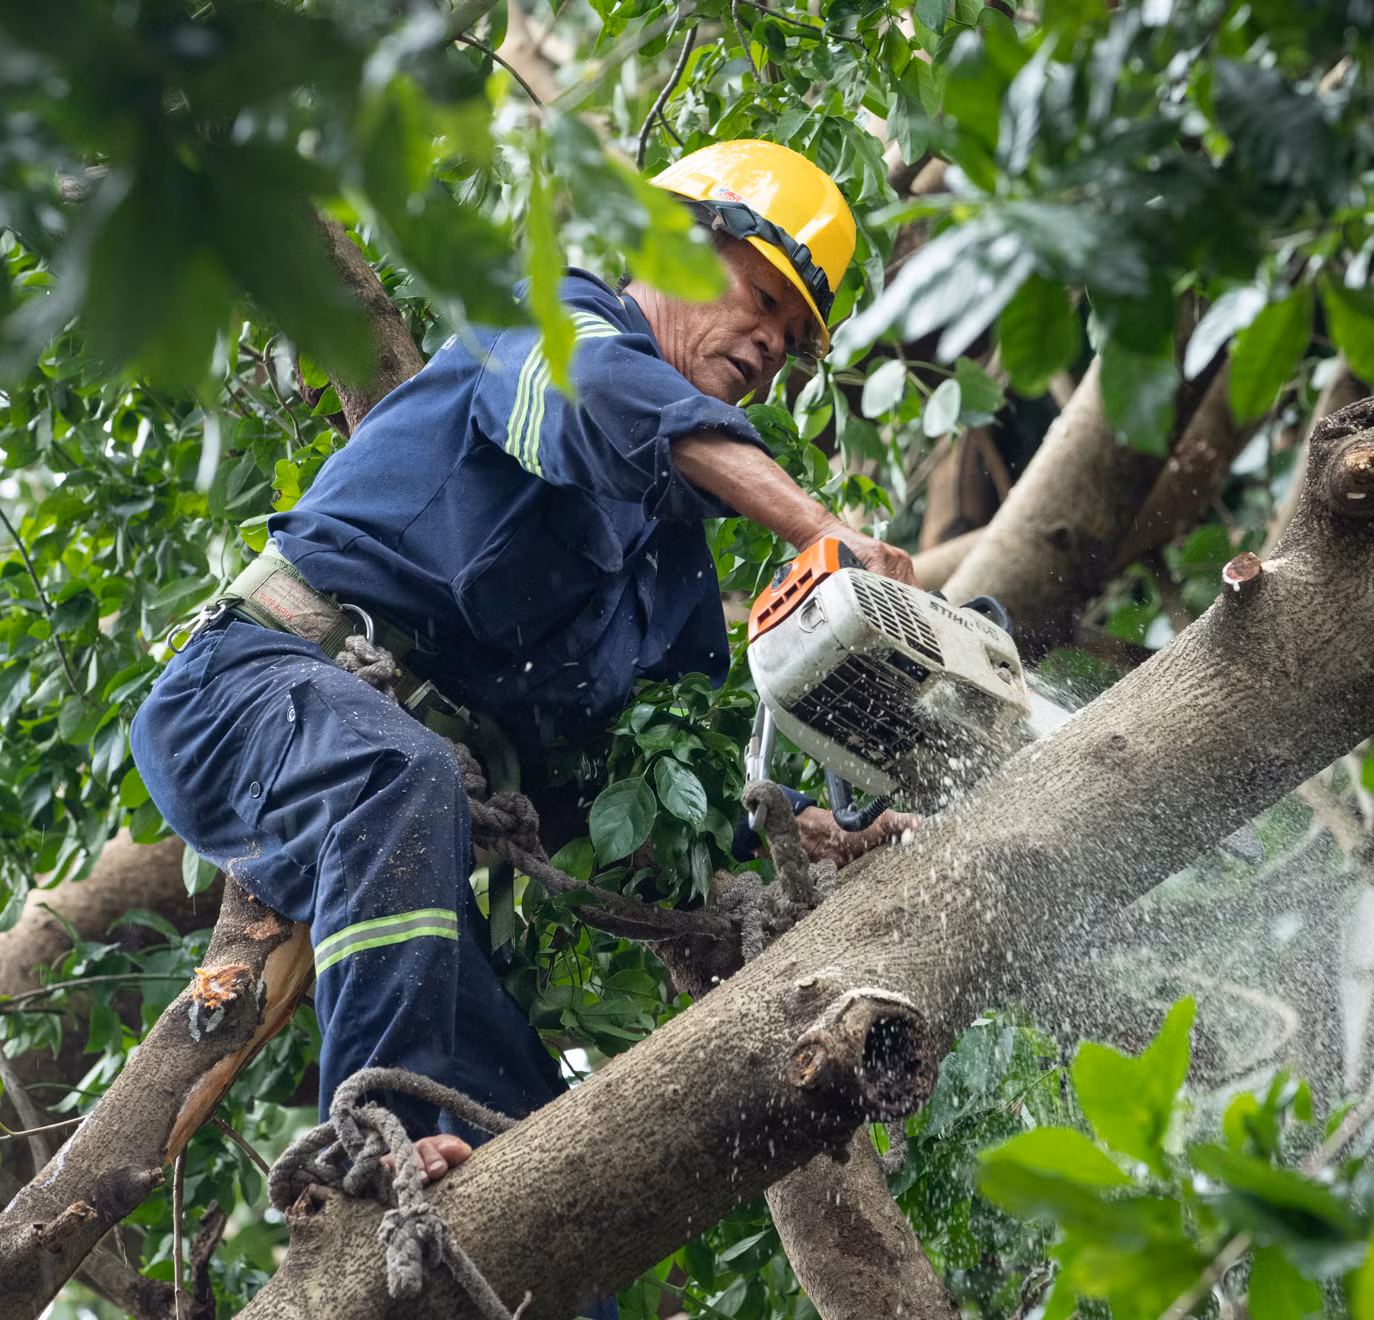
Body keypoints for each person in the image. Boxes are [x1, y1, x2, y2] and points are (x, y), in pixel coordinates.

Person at [129, 141, 917, 1201]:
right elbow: (604, 398)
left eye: (793, 339)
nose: (772, 342)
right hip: (247, 695)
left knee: (541, 1170)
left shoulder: (670, 559)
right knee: (396, 781)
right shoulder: (545, 329)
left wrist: (804, 834)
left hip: (399, 821)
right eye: (762, 294)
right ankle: (379, 1134)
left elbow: (653, 783)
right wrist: (823, 531)